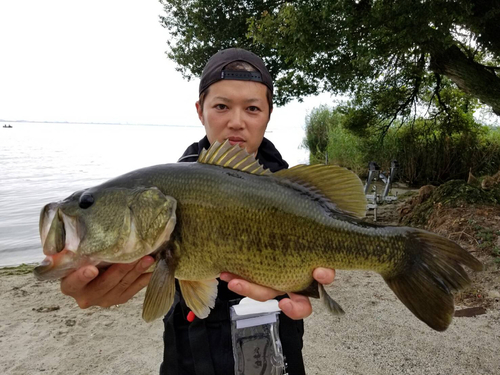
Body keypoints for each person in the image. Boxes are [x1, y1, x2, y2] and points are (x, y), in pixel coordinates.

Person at [60, 48, 335, 374]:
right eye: (221, 106)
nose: (236, 121)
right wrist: (98, 272)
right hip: (189, 357)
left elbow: (326, 255)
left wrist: (312, 279)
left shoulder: (299, 196)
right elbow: (135, 264)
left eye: (252, 108)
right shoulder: (164, 196)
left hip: (277, 355)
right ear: (199, 110)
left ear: (268, 114)